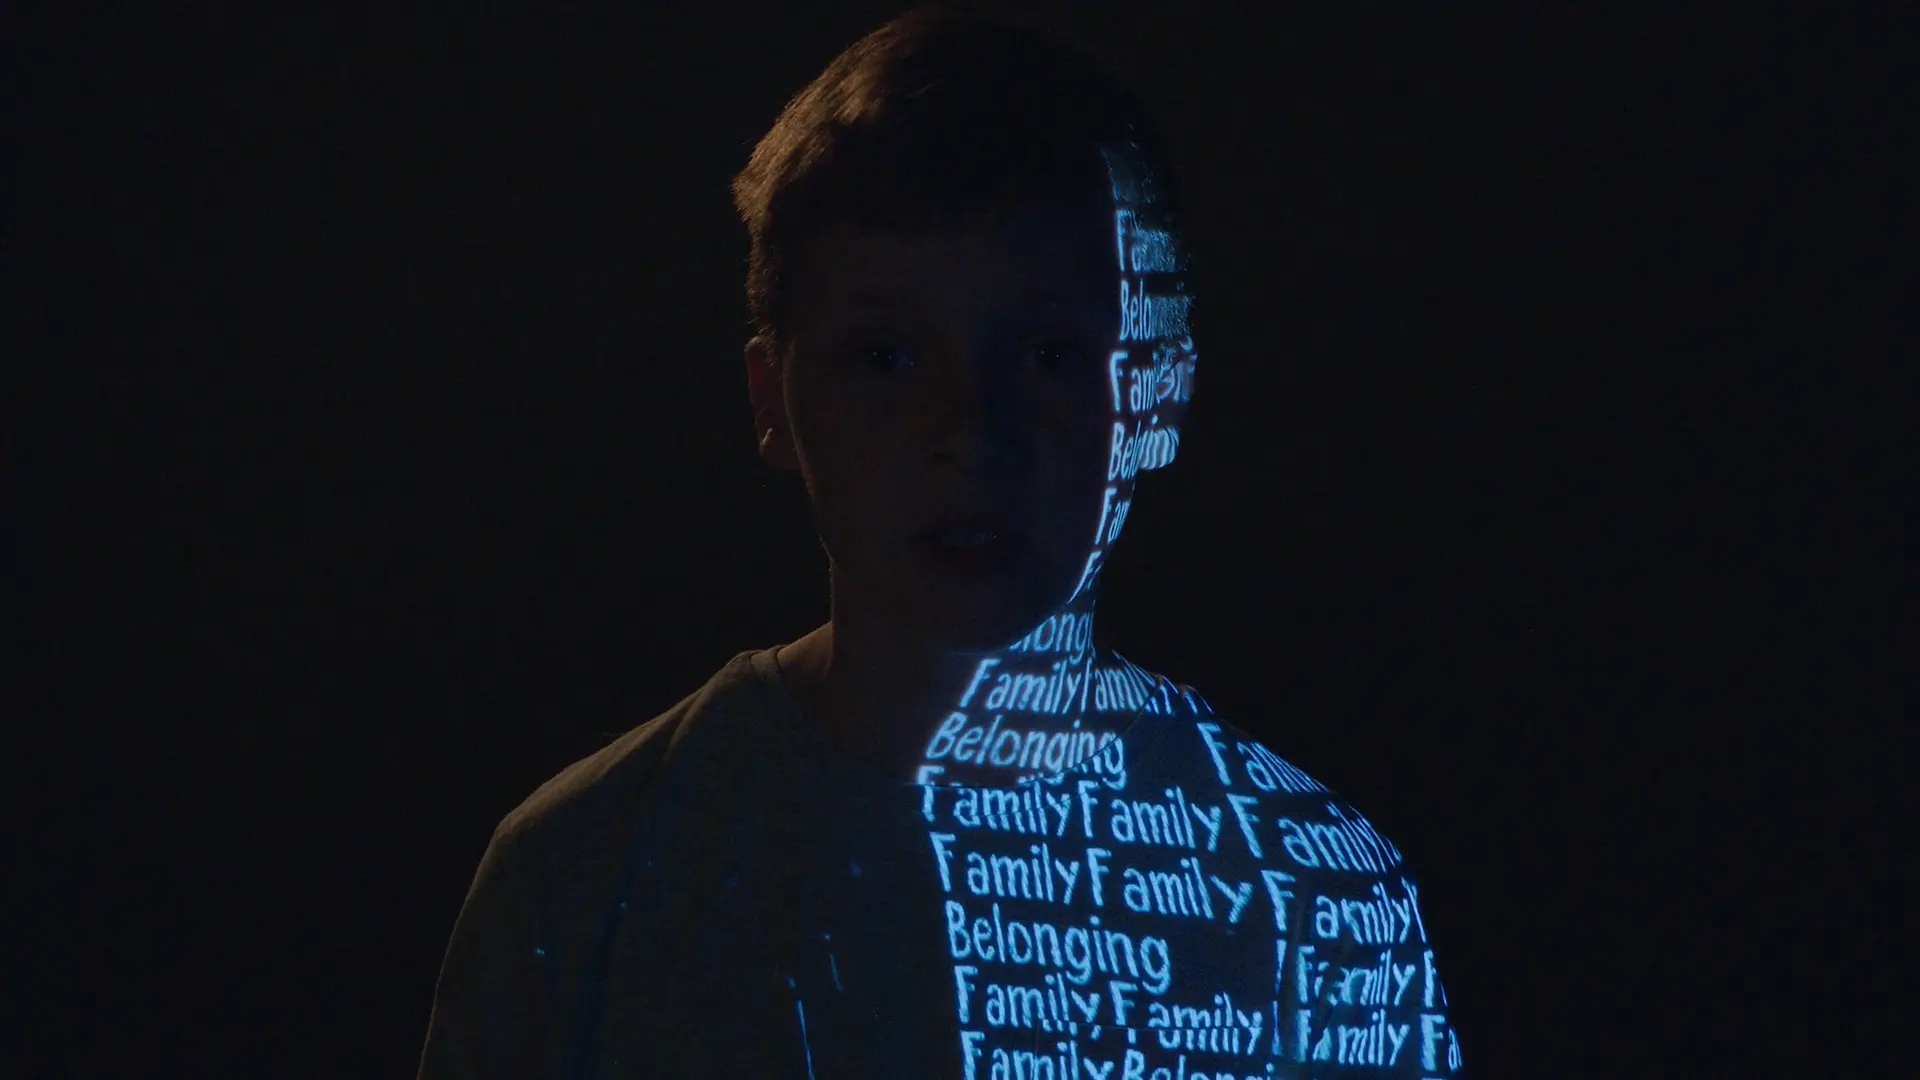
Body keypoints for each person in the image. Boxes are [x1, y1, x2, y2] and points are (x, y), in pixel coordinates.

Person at [417, 7, 1467, 1078]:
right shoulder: (586, 874)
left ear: (1157, 392)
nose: (971, 433)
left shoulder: (1318, 899)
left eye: (1050, 353)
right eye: (886, 357)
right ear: (774, 401)